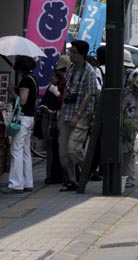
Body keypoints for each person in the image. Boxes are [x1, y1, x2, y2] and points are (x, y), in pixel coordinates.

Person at [58, 39, 98, 191]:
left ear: (81, 54)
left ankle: (87, 171)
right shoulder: (71, 69)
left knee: (73, 149)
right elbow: (67, 90)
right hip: (66, 112)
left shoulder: (89, 71)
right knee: (63, 153)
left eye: (73, 52)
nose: (70, 54)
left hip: (81, 115)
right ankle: (72, 181)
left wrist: (78, 114)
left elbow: (89, 95)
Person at [1, 56, 38, 194]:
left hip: (22, 118)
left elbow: (22, 101)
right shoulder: (33, 79)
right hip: (30, 118)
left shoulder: (26, 80)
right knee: (25, 151)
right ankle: (27, 182)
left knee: (16, 150)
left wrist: (11, 91)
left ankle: (15, 184)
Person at [40, 55, 70, 186]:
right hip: (57, 119)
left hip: (55, 119)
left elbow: (63, 101)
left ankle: (53, 176)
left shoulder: (62, 83)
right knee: (56, 150)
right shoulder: (63, 82)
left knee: (54, 150)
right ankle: (57, 176)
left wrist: (56, 93)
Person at [122, 50, 138, 188]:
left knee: (129, 149)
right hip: (121, 114)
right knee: (122, 148)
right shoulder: (117, 74)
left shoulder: (134, 75)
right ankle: (123, 176)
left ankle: (130, 177)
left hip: (130, 116)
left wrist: (137, 115)